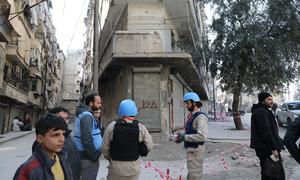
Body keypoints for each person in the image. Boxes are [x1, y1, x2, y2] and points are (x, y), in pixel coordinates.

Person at [102, 99, 153, 180]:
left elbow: (105, 148)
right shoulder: (141, 128)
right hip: (133, 169)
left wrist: (110, 159)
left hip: (115, 169)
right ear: (134, 111)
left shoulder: (111, 127)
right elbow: (149, 146)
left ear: (120, 112)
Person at [13, 113, 73, 180]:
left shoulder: (63, 159)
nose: (62, 139)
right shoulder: (29, 170)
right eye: (56, 135)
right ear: (40, 138)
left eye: (63, 134)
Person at [32, 107, 81, 180]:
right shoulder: (31, 170)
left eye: (66, 118)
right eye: (61, 118)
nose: (61, 139)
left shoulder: (67, 135)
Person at [169, 92, 208, 180]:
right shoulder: (192, 116)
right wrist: (179, 135)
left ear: (194, 103)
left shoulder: (200, 117)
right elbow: (190, 131)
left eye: (188, 103)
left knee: (194, 176)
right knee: (191, 176)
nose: (186, 105)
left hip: (196, 151)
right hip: (192, 150)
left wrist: (184, 137)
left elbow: (202, 136)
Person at [250, 92, 285, 180]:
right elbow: (266, 132)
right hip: (266, 148)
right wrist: (273, 149)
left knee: (269, 172)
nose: (271, 101)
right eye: (269, 99)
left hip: (266, 147)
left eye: (272, 99)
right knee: (273, 173)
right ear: (262, 101)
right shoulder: (261, 112)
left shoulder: (264, 110)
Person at [74, 93, 103, 180]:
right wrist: (94, 156)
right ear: (91, 103)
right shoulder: (86, 116)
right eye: (98, 103)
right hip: (88, 158)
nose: (100, 105)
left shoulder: (88, 114)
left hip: (87, 157)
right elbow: (86, 139)